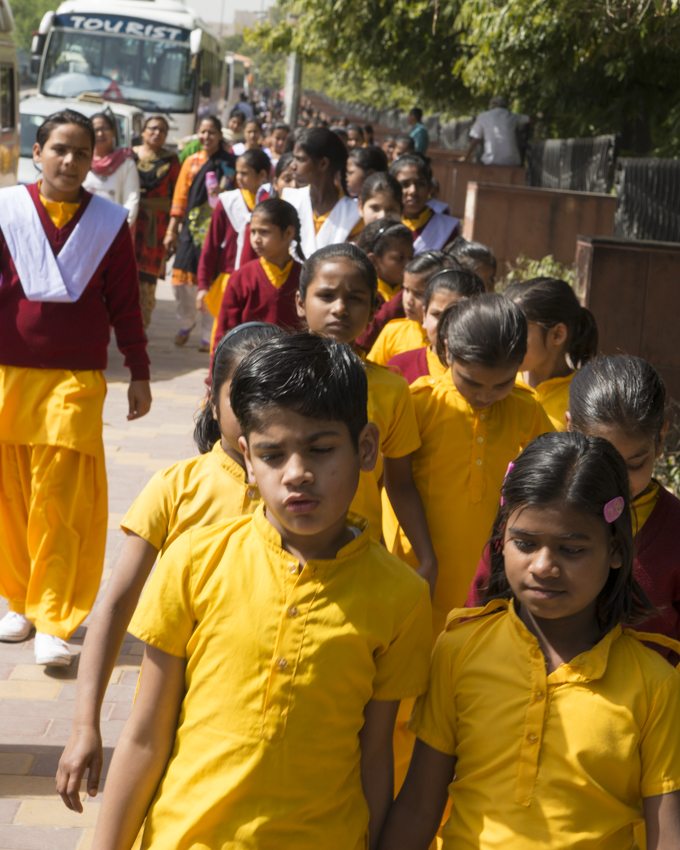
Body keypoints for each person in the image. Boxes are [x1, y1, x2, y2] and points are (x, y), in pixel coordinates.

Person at [91, 333, 433, 850]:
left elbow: (375, 753)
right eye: (273, 455)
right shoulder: (194, 561)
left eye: (321, 449)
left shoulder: (401, 595)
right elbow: (144, 736)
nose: (297, 474)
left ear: (366, 448)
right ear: (248, 458)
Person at [379, 431, 680, 850]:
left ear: (615, 549)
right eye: (525, 543)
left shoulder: (655, 684)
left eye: (571, 549)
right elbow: (418, 808)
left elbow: (667, 835)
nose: (543, 566)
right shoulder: (459, 651)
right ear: (501, 541)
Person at [56, 323, 280, 811]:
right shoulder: (176, 487)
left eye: (271, 394)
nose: (255, 413)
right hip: (173, 714)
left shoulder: (305, 497)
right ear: (212, 397)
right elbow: (115, 608)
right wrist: (84, 725)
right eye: (239, 395)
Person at [0, 109, 151, 666]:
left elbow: (125, 303)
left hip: (75, 381)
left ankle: (56, 617)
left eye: (82, 152)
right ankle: (18, 600)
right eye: (59, 149)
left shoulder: (108, 223)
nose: (70, 161)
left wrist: (139, 370)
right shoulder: (8, 211)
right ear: (36, 152)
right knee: (12, 495)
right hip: (8, 375)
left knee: (60, 498)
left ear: (95, 160)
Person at [467, 355, 680, 651]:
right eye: (600, 459)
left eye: (633, 464)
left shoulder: (674, 531)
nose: (614, 479)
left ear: (660, 437)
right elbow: (481, 607)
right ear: (570, 428)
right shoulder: (531, 511)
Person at [383, 293, 553, 637]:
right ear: (447, 351)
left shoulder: (525, 407)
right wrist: (427, 559)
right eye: (472, 381)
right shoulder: (419, 403)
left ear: (520, 363)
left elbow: (548, 481)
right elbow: (397, 483)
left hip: (489, 575)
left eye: (502, 383)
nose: (486, 395)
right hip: (419, 562)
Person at [296, 244, 438, 591]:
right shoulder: (274, 377)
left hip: (358, 547)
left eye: (355, 298)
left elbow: (399, 483)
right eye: (326, 295)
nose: (340, 308)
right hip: (280, 540)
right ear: (300, 302)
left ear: (375, 307)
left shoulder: (390, 388)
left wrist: (427, 558)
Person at [165, 116, 236, 351]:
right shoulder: (191, 161)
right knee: (181, 282)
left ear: (220, 135)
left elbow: (240, 193)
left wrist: (225, 190)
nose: (206, 137)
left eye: (212, 132)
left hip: (219, 232)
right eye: (203, 132)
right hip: (191, 230)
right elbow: (179, 198)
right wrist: (171, 231)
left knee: (213, 282)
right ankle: (186, 322)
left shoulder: (230, 163)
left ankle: (208, 333)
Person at [507, 277, 598, 430]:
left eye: (518, 331)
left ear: (557, 334)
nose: (507, 340)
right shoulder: (500, 382)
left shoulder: (584, 397)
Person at [197, 148, 271, 333]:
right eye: (237, 172)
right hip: (229, 278)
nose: (239, 177)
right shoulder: (228, 201)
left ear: (262, 174)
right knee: (225, 335)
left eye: (244, 173)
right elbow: (211, 246)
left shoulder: (272, 202)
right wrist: (203, 284)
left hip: (264, 278)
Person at [213, 199, 304, 342]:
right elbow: (225, 333)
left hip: (294, 361)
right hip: (250, 361)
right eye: (253, 231)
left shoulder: (305, 277)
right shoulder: (240, 278)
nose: (256, 239)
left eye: (264, 232)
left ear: (288, 233)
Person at [383, 267, 484, 380]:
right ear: (425, 316)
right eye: (437, 315)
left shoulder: (489, 372)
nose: (445, 325)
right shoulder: (399, 367)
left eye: (456, 316)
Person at [132, 115, 181, 329]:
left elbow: (178, 197)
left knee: (146, 277)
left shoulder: (171, 160)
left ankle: (141, 324)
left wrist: (172, 231)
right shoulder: (126, 157)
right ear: (143, 132)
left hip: (156, 226)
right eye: (152, 129)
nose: (157, 133)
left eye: (162, 130)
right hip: (129, 222)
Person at [283, 128, 363, 258]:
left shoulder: (355, 214)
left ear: (323, 163)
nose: (293, 165)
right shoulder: (289, 200)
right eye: (294, 158)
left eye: (301, 159)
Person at [368, 255, 457, 367]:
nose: (408, 300)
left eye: (419, 294)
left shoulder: (453, 338)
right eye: (406, 290)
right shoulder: (393, 332)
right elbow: (372, 373)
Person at [391, 154, 460, 253]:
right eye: (405, 185)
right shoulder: (385, 223)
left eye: (420, 184)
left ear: (430, 188)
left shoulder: (447, 229)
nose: (413, 191)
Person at [83, 112, 139, 227]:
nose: (100, 134)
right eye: (95, 130)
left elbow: (131, 200)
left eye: (104, 129)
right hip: (83, 225)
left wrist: (119, 229)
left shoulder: (125, 163)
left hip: (113, 227)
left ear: (113, 131)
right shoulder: (82, 160)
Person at [357, 220, 414, 306]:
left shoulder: (416, 293)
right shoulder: (362, 294)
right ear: (374, 261)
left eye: (411, 256)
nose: (409, 264)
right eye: (400, 258)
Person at [463, 95, 530, 166]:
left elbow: (476, 138)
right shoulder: (512, 116)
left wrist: (466, 155)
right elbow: (530, 119)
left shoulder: (483, 116)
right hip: (512, 161)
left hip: (491, 161)